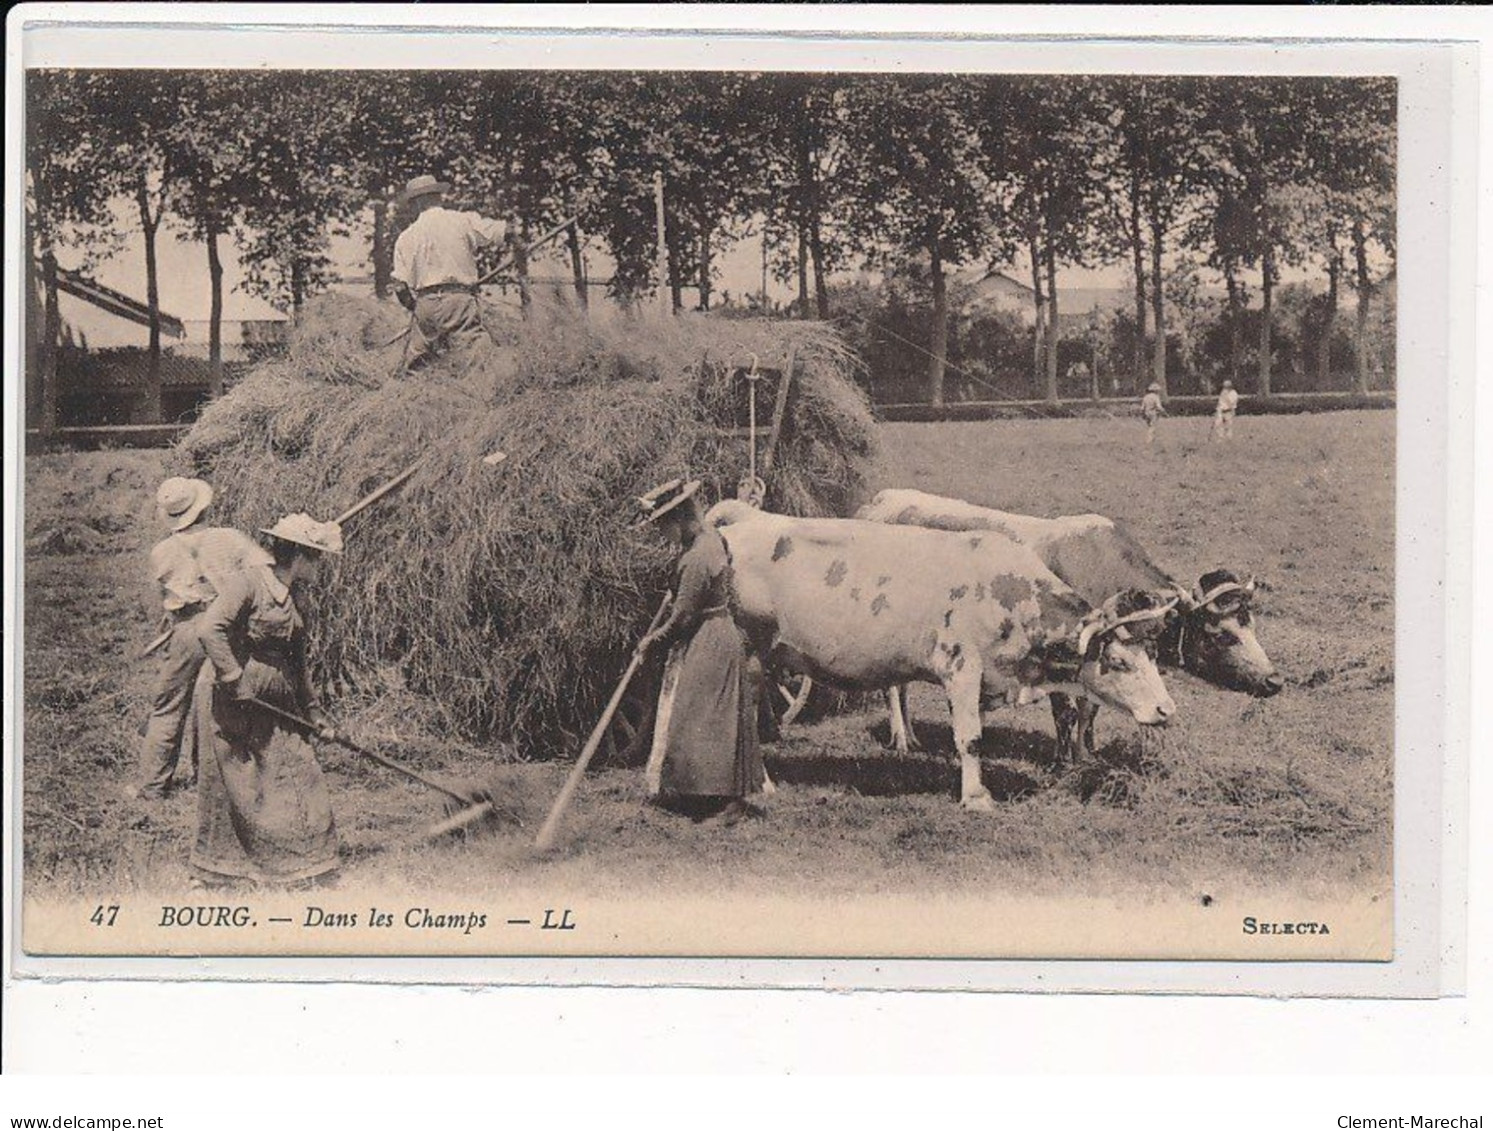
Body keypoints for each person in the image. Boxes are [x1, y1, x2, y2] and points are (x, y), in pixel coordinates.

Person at [188, 513, 343, 887]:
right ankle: (219, 874)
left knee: (298, 771)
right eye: (317, 557)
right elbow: (210, 629)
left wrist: (314, 711)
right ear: (299, 556)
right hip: (230, 700)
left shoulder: (296, 599)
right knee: (236, 783)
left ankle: (304, 865)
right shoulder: (248, 583)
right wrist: (232, 677)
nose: (321, 566)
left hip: (277, 701)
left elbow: (298, 663)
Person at [636, 479, 765, 825]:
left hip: (708, 639)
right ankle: (710, 795)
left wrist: (652, 642)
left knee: (701, 715)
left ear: (679, 520)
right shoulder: (712, 537)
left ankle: (724, 803)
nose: (664, 536)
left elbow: (682, 619)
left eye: (664, 528)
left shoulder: (695, 558)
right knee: (713, 716)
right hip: (722, 632)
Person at [134, 477, 272, 801]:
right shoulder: (230, 539)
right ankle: (210, 779)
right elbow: (264, 569)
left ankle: (153, 787)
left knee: (168, 706)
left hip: (185, 629)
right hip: (224, 628)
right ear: (204, 507)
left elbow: (158, 597)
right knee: (217, 702)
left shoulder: (162, 551)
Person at [390, 174, 508, 370]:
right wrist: (519, 248)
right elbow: (503, 231)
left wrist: (417, 310)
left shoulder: (406, 236)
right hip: (458, 301)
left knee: (418, 362)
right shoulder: (462, 221)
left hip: (425, 303)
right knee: (475, 354)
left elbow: (399, 286)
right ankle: (480, 395)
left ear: (417, 203)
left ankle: (407, 394)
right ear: (437, 196)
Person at [1141, 381, 1167, 447]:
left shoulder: (1146, 397)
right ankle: (1149, 441)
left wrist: (1143, 414)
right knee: (1152, 427)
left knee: (1149, 426)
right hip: (1153, 413)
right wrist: (1164, 412)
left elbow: (1142, 407)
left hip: (1146, 413)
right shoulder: (1156, 397)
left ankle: (1152, 440)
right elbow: (1159, 406)